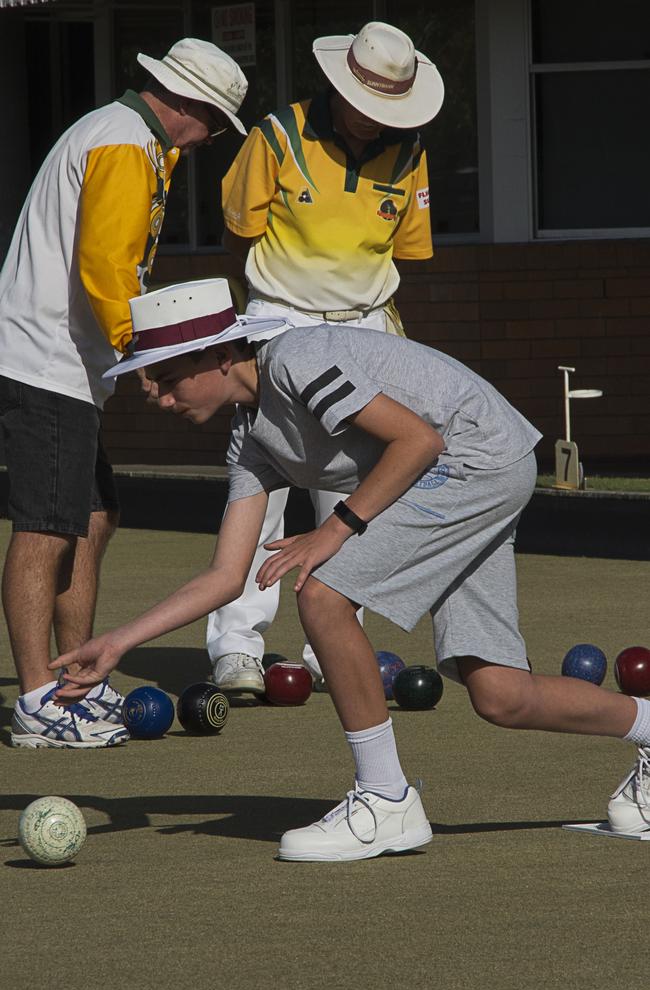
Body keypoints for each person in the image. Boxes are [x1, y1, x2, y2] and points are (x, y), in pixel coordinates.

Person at [51, 278, 650, 860]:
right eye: (148, 380)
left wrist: (333, 529)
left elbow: (418, 441)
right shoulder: (249, 440)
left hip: (474, 457)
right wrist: (118, 642)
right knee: (502, 695)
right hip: (475, 467)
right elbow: (225, 577)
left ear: (221, 353)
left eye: (165, 375)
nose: (154, 394)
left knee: (322, 594)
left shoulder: (297, 359)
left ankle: (386, 800)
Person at [0, 38, 249, 748]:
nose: (212, 140)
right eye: (215, 124)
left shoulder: (130, 139)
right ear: (189, 106)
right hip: (46, 359)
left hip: (68, 364)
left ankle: (75, 679)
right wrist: (144, 354)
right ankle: (39, 702)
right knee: (47, 526)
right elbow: (106, 264)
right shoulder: (122, 142)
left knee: (95, 515)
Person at [205, 21, 445, 696]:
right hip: (280, 321)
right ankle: (236, 645)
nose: (376, 121)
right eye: (367, 104)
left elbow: (406, 256)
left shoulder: (410, 152)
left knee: (354, 492)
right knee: (263, 485)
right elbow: (237, 236)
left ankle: (333, 641)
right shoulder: (276, 137)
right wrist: (246, 328)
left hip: (367, 330)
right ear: (340, 86)